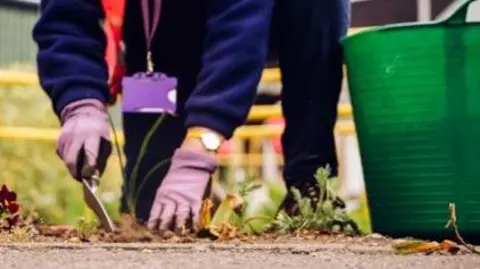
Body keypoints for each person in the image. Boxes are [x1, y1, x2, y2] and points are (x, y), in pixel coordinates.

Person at [33, 0, 274, 231]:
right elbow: (66, 20)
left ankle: (305, 184)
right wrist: (79, 102)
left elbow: (239, 31)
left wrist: (202, 142)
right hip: (152, 57)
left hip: (259, 30)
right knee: (149, 206)